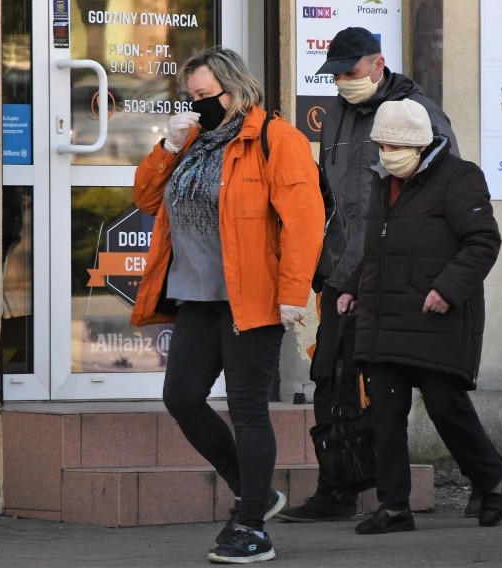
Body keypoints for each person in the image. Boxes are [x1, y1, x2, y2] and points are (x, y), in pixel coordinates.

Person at [130, 46, 325, 563]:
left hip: (252, 299)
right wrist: (168, 147)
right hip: (196, 296)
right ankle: (253, 490)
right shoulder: (192, 140)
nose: (195, 107)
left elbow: (304, 222)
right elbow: (147, 200)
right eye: (188, 97)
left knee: (247, 409)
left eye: (203, 96)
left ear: (235, 91)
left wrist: (291, 294)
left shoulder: (276, 140)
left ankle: (251, 526)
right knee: (182, 397)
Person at [276, 26, 477, 523]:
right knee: (330, 377)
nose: (343, 81)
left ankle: (488, 474)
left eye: (351, 71)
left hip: (399, 275)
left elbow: (440, 196)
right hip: (344, 272)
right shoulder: (339, 113)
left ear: (377, 63)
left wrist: (434, 280)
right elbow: (331, 195)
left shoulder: (419, 115)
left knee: (435, 394)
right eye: (336, 73)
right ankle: (339, 488)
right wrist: (324, 266)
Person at [335, 98, 502, 534]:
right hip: (384, 318)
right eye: (381, 144)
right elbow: (379, 249)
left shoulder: (460, 178)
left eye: (395, 145)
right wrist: (352, 288)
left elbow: (483, 242)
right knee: (386, 416)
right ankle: (394, 508)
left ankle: (492, 478)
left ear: (420, 145)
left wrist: (447, 289)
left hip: (438, 316)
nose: (386, 152)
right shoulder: (383, 183)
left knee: (445, 406)